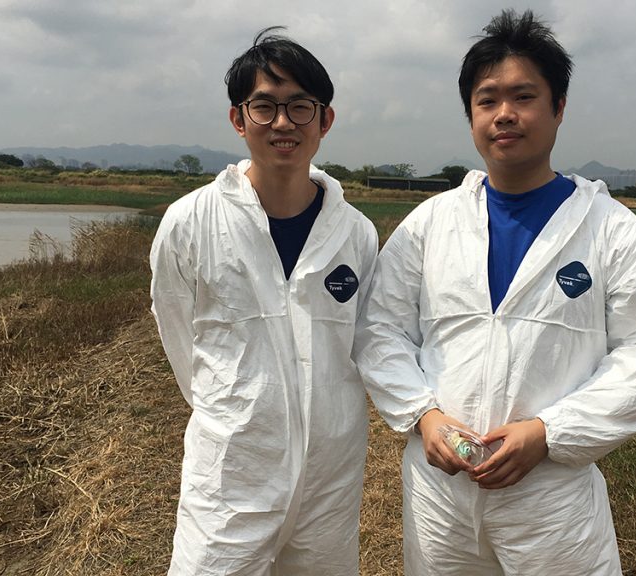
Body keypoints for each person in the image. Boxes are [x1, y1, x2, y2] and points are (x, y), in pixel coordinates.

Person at [354, 9, 636, 575]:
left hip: (551, 499)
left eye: (523, 96)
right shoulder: (430, 224)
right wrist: (423, 415)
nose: (504, 114)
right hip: (441, 489)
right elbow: (380, 328)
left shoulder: (607, 227)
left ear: (558, 108)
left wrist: (551, 432)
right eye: (487, 100)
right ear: (470, 116)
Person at [150, 27, 377, 575]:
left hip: (331, 470)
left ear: (325, 120)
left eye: (300, 107)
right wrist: (233, 407)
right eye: (264, 106)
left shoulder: (356, 233)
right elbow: (178, 333)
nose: (283, 123)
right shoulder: (190, 222)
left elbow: (364, 343)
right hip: (232, 468)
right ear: (238, 118)